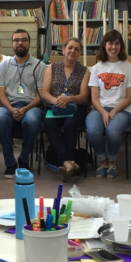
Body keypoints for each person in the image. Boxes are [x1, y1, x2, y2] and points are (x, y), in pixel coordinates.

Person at [0, 29, 47, 178]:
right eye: (16, 40)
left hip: (31, 105)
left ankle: (24, 159)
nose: (20, 43)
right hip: (8, 105)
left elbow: (40, 95)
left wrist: (24, 109)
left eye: (23, 40)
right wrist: (11, 109)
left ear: (29, 43)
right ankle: (10, 163)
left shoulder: (39, 66)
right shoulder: (4, 66)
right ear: (12, 44)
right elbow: (1, 93)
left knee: (32, 120)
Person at [86, 30, 131, 179]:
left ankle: (112, 162)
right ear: (104, 45)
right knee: (93, 131)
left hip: (121, 110)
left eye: (117, 43)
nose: (113, 47)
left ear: (121, 46)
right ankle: (103, 161)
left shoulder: (129, 68)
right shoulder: (96, 68)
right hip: (99, 109)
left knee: (113, 133)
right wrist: (103, 112)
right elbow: (94, 97)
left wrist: (113, 112)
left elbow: (129, 97)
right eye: (110, 43)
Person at [40, 37, 90, 179]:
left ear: (80, 53)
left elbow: (84, 96)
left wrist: (69, 99)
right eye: (70, 48)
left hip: (75, 108)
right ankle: (68, 162)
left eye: (76, 49)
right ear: (63, 49)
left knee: (70, 124)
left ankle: (66, 162)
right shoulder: (52, 67)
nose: (72, 51)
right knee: (49, 123)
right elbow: (44, 93)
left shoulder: (84, 71)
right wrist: (57, 101)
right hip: (54, 107)